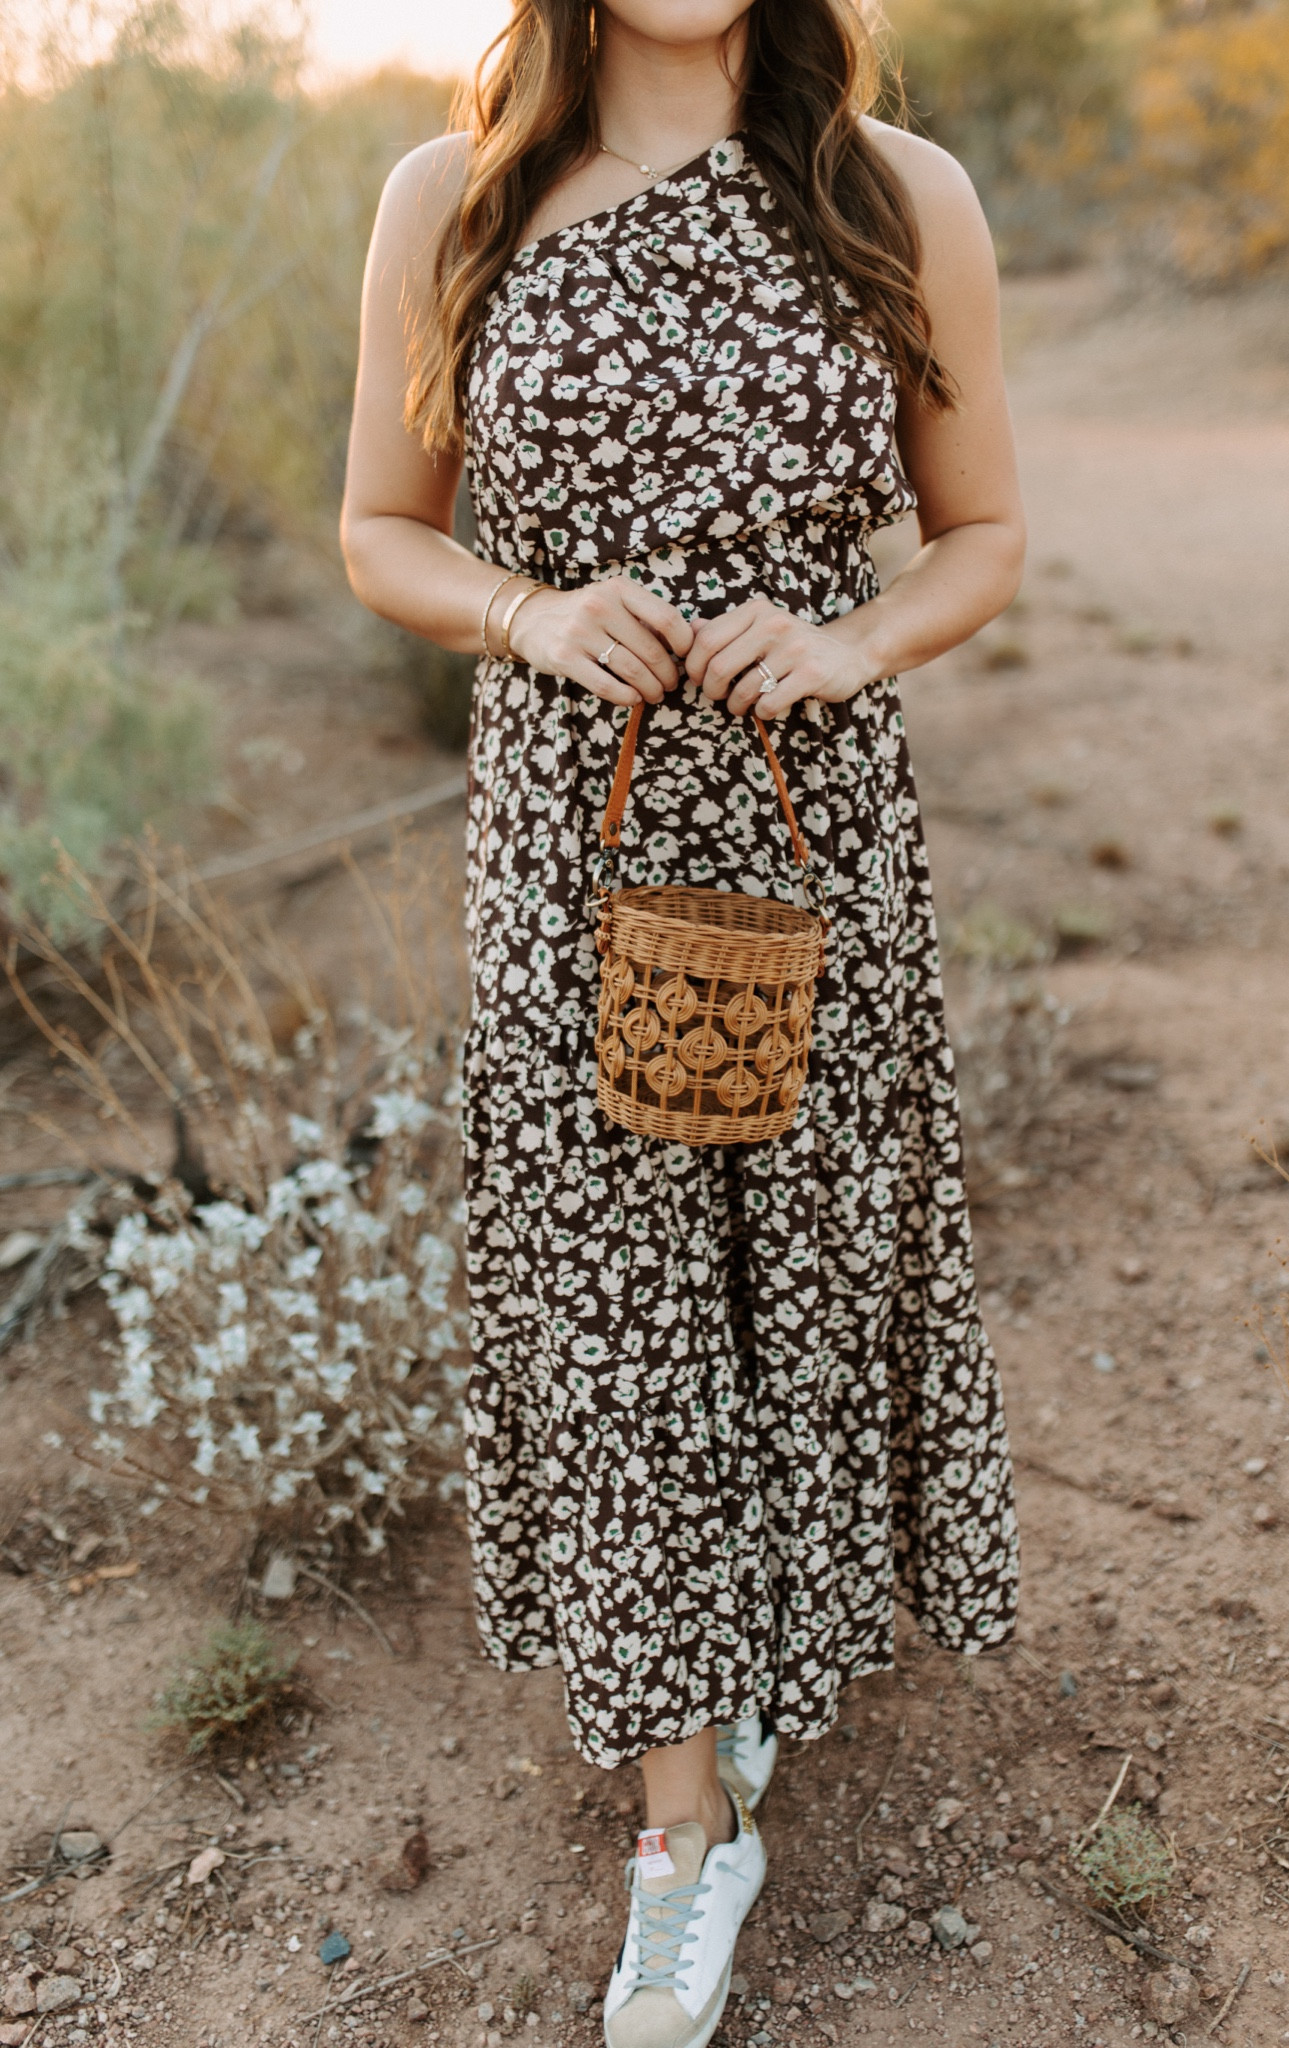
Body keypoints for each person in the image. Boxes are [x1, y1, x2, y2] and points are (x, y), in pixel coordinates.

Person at [341, 3, 1024, 2042]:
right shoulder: (449, 195)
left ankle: (769, 1659)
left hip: (816, 834)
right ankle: (676, 1825)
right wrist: (528, 612)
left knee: (795, 1277)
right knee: (622, 1291)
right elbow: (378, 529)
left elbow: (978, 536)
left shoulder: (900, 196)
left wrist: (843, 636)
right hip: (567, 833)